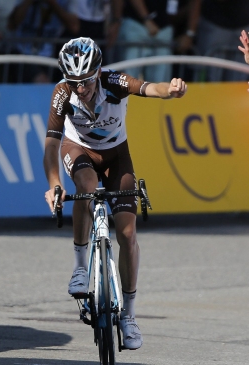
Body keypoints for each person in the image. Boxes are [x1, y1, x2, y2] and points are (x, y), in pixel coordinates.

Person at [43, 37, 188, 350]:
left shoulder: (114, 81)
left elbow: (149, 88)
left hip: (116, 155)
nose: (80, 88)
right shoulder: (62, 93)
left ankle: (129, 316)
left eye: (85, 81)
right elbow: (52, 145)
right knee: (85, 186)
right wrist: (54, 182)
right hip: (78, 149)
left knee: (127, 233)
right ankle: (81, 268)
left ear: (97, 73)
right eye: (74, 82)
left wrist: (171, 91)